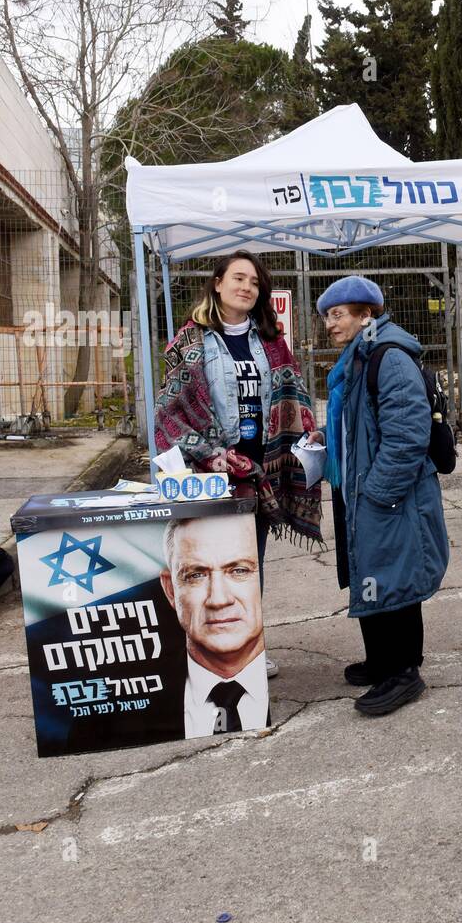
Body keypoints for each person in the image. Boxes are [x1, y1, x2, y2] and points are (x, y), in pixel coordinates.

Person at [153, 250, 322, 681]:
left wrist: (303, 440)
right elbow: (171, 411)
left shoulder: (270, 339)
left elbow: (293, 397)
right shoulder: (189, 341)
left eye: (254, 282)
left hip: (259, 471)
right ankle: (195, 651)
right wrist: (212, 454)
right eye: (239, 278)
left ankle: (250, 647)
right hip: (209, 474)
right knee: (205, 562)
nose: (247, 287)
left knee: (248, 560)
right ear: (217, 283)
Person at [305, 276, 449, 717]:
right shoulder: (359, 357)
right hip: (365, 489)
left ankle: (404, 672)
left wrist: (377, 494)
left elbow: (407, 435)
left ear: (366, 315)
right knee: (372, 570)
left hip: (388, 493)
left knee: (395, 573)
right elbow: (361, 425)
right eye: (327, 316)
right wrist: (326, 438)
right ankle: (382, 661)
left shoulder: (388, 357)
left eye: (338, 314)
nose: (330, 324)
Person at [159, 513, 269, 737]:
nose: (218, 599)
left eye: (239, 571)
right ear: (170, 590)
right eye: (196, 575)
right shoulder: (124, 714)